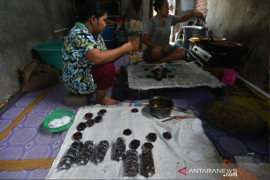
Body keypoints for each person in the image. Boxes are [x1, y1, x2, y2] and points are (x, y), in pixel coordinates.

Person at [62, 0, 133, 105]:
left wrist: (121, 53)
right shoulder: (79, 33)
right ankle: (101, 99)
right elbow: (98, 58)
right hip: (76, 80)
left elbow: (104, 54)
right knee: (108, 68)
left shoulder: (95, 33)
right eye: (104, 20)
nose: (106, 24)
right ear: (93, 19)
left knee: (113, 65)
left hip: (87, 70)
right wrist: (122, 49)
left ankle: (102, 86)